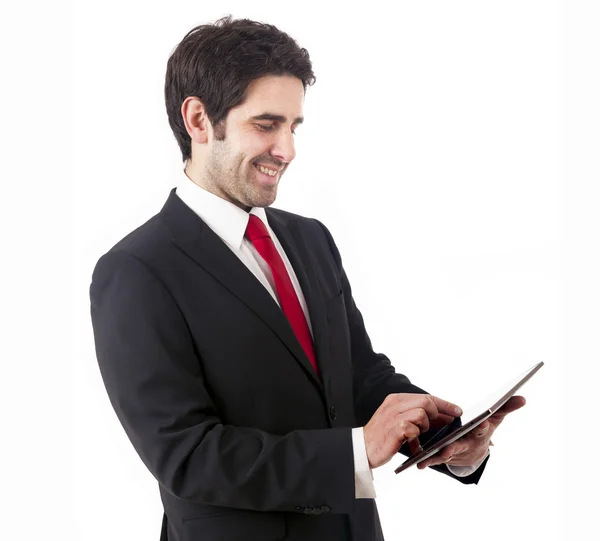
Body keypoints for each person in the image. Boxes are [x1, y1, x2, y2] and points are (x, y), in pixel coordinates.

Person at [89, 15, 525, 541]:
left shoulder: (310, 239)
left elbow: (358, 377)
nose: (287, 150)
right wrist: (358, 449)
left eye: (293, 127)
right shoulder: (136, 271)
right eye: (266, 124)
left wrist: (446, 440)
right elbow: (187, 456)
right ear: (200, 120)